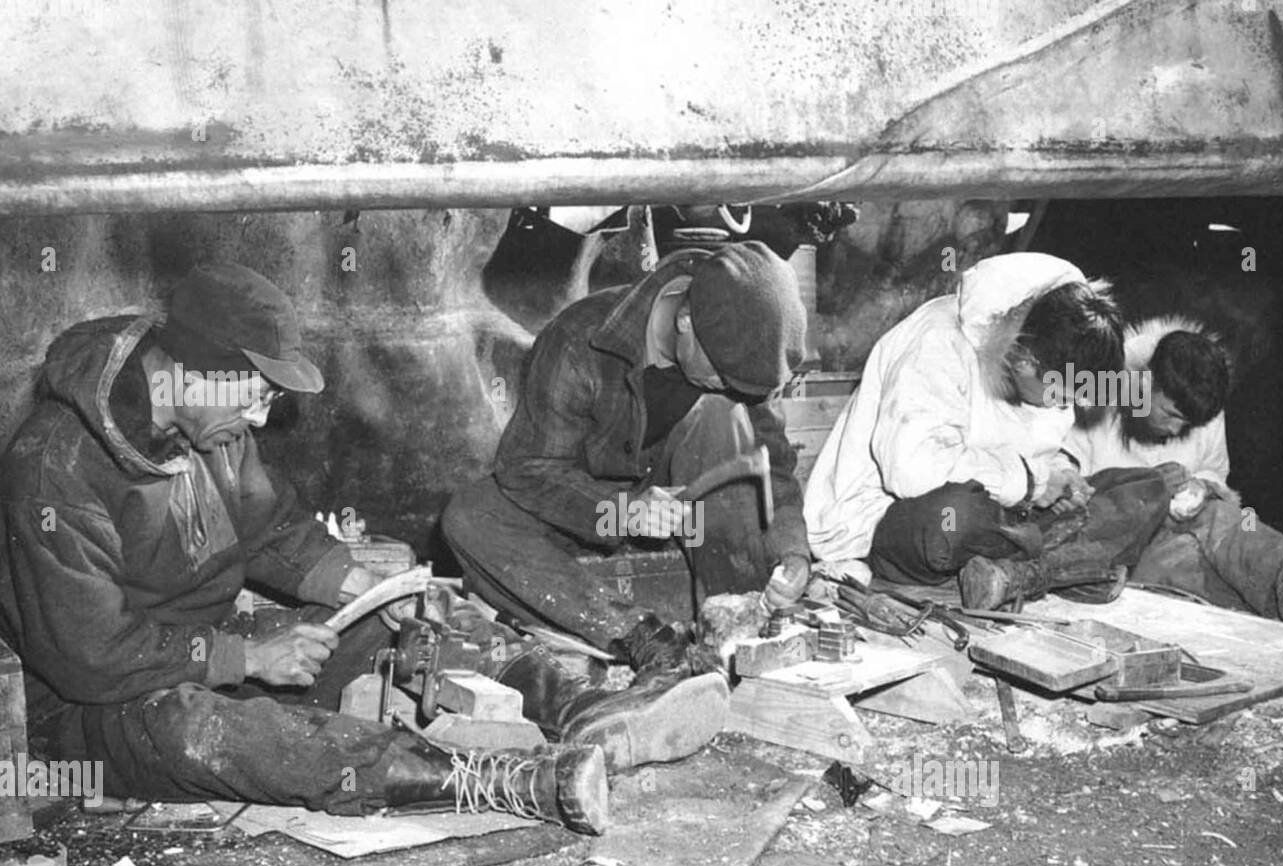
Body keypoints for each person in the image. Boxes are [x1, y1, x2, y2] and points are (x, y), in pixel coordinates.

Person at [0, 264, 607, 834]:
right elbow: (91, 656)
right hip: (95, 704)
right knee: (207, 733)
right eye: (254, 396)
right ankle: (498, 781)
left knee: (386, 632)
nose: (260, 420)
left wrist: (365, 589)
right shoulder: (54, 467)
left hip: (201, 648)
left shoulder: (209, 427)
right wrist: (247, 659)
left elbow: (271, 529)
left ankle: (584, 708)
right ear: (189, 374)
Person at [443, 241, 813, 760]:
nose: (731, 386)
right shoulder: (577, 342)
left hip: (686, 521)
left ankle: (730, 638)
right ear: (684, 319)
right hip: (584, 509)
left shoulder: (733, 350)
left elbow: (770, 459)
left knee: (727, 418)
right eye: (723, 374)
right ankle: (645, 639)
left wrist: (792, 548)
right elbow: (527, 470)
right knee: (468, 516)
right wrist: (622, 508)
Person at [803, 252, 1171, 609]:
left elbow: (1034, 448)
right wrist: (1033, 483)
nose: (1062, 405)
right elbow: (914, 472)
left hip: (1005, 517)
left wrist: (1061, 473)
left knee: (1147, 488)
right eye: (1059, 395)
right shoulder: (937, 341)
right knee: (955, 516)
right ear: (1026, 363)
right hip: (892, 523)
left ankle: (1027, 571)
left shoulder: (1053, 351)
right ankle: (1060, 568)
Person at [1063, 317, 1283, 621]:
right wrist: (1145, 487)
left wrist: (1201, 486)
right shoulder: (1096, 395)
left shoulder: (1202, 405)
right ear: (1145, 382)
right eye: (1170, 414)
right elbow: (1068, 492)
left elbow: (1215, 473)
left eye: (1187, 423)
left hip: (1197, 526)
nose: (1177, 429)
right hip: (1127, 546)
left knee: (1223, 517)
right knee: (1201, 571)